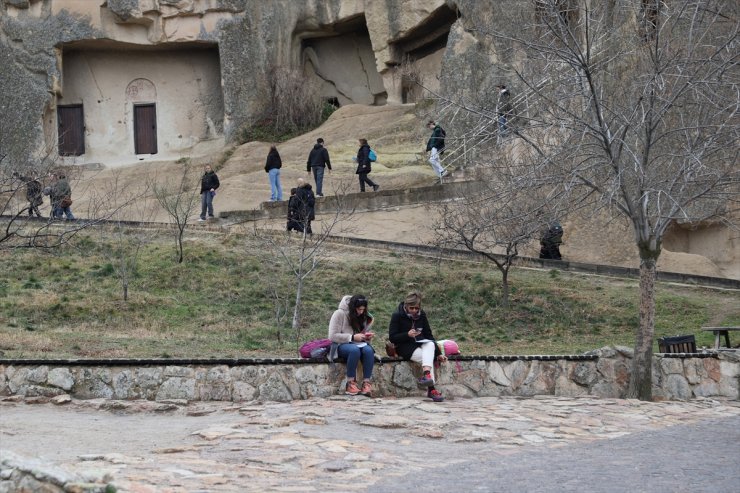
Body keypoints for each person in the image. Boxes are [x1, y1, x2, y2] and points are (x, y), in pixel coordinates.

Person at [388, 291, 446, 402]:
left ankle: (427, 375)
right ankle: (432, 389)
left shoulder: (422, 315)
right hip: (404, 346)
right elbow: (392, 337)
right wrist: (407, 334)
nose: (414, 311)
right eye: (411, 308)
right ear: (406, 306)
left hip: (421, 343)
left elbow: (429, 335)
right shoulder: (397, 315)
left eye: (416, 308)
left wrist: (439, 354)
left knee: (429, 344)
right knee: (427, 357)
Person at [328, 294, 376, 396]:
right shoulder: (339, 314)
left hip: (359, 344)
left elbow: (361, 334)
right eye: (359, 309)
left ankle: (366, 383)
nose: (361, 312)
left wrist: (366, 337)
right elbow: (332, 336)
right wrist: (352, 337)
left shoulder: (362, 316)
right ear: (352, 307)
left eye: (363, 309)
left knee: (369, 350)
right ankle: (350, 383)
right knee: (354, 350)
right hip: (341, 345)